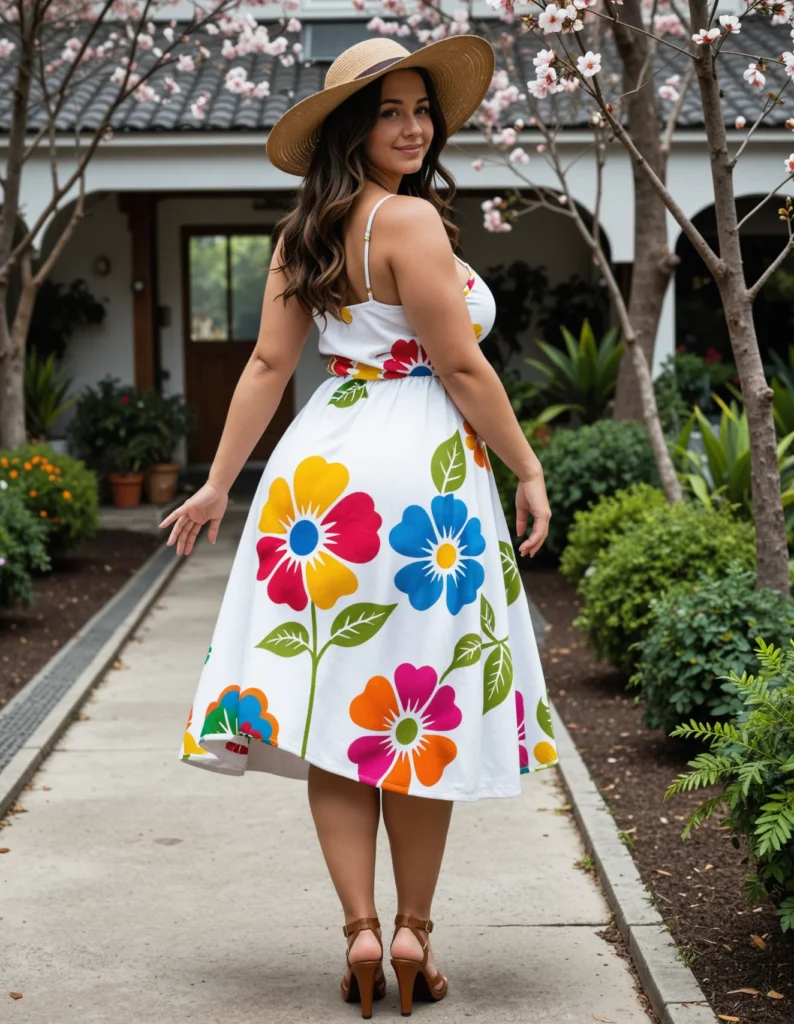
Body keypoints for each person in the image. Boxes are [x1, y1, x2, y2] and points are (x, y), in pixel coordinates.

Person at [164, 34, 556, 1019]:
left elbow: (266, 368)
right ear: (353, 126)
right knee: (407, 719)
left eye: (422, 108)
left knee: (343, 712)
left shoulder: (304, 234)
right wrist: (527, 464)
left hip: (321, 480)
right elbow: (460, 369)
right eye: (390, 111)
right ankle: (413, 927)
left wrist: (221, 483)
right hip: (420, 486)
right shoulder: (412, 221)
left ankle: (362, 932)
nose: (414, 126)